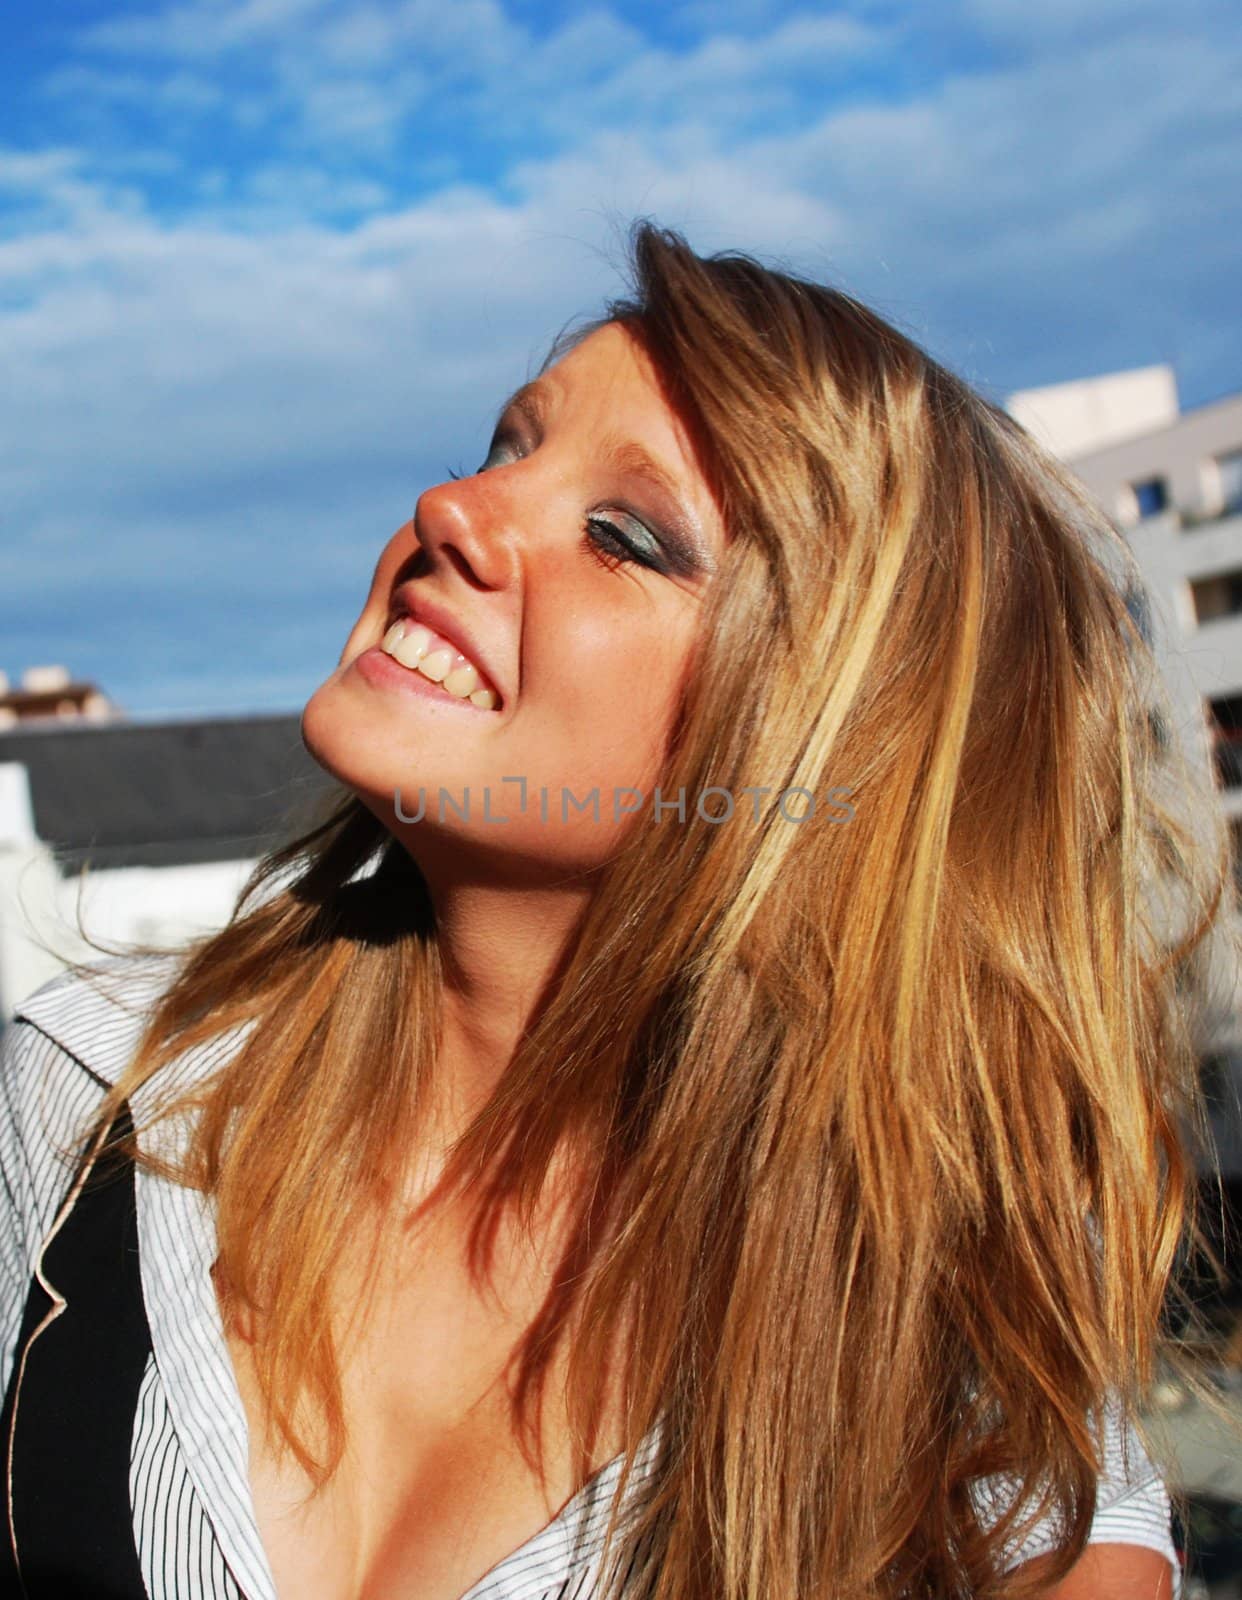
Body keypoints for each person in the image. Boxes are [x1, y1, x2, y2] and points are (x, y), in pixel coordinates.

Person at [1, 221, 1233, 1600]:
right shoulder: (101, 1091)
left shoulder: (948, 1366)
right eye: (501, 446)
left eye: (623, 536)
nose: (452, 509)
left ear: (820, 745)